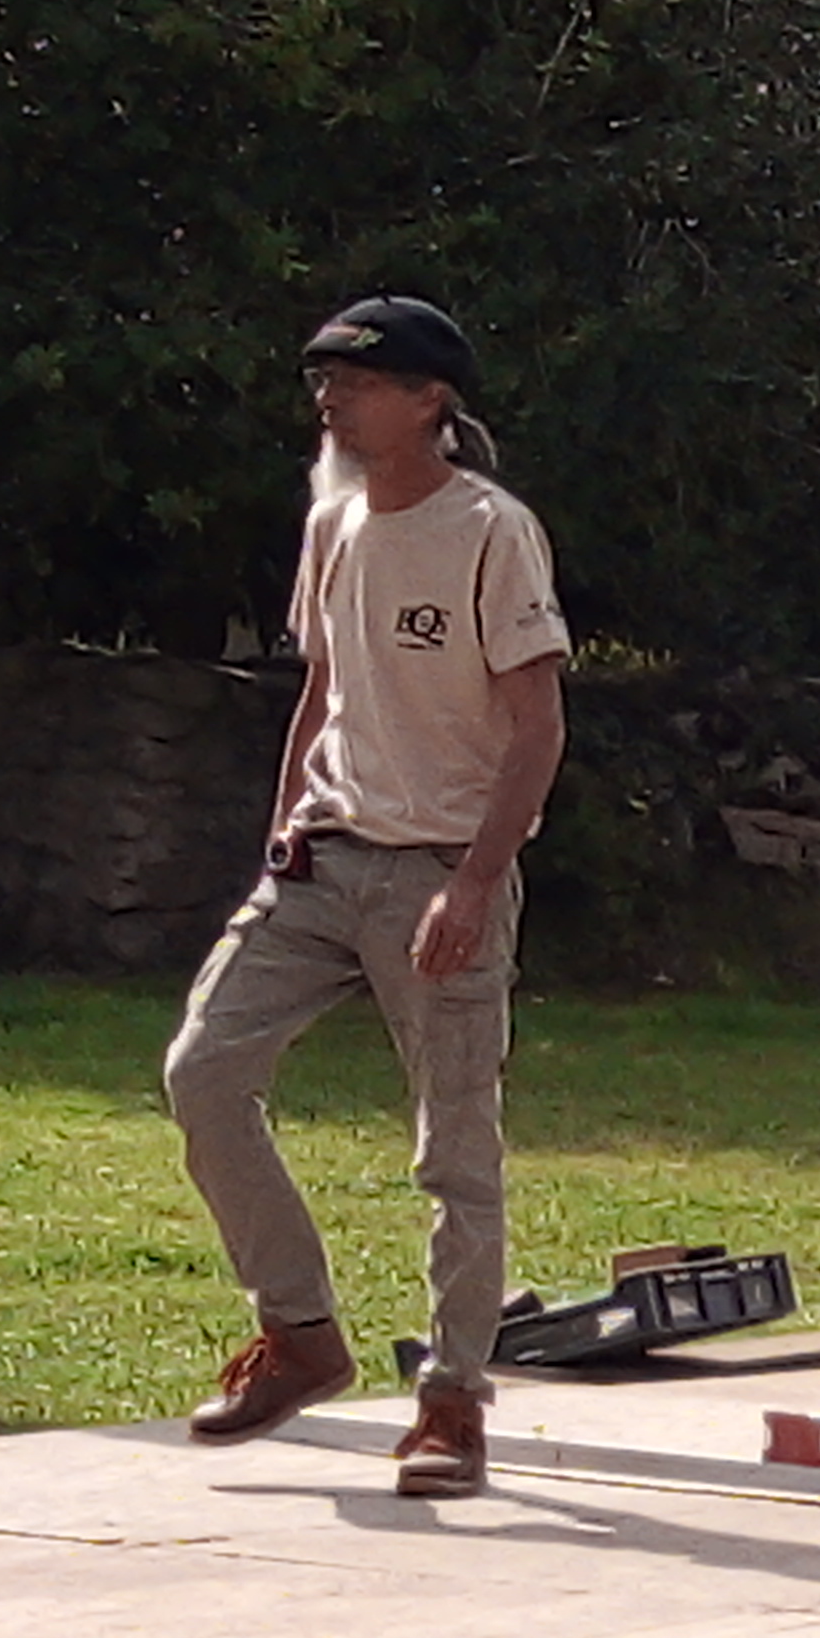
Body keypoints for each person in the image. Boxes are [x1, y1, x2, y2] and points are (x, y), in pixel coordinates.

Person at [162, 295, 570, 1497]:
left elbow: (537, 726)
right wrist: (283, 830)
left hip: (445, 869)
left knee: (454, 1148)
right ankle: (298, 1335)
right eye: (322, 381)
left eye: (356, 381)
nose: (330, 400)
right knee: (203, 1070)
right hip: (325, 856)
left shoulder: (492, 532)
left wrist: (476, 883)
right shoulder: (335, 524)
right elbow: (323, 691)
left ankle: (452, 1404)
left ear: (429, 399)